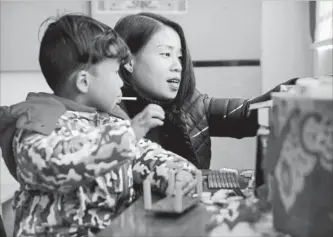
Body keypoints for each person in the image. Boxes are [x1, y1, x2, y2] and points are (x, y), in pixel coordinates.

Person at [0, 14, 198, 237]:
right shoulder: (38, 123)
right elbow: (56, 164)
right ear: (84, 81)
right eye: (115, 72)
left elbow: (145, 155)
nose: (122, 82)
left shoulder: (109, 120)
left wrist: (179, 173)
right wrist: (128, 135)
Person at [114, 12, 298, 169]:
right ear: (129, 61)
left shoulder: (191, 104)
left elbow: (248, 114)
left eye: (179, 57)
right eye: (165, 54)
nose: (178, 66)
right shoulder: (107, 116)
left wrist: (300, 87)